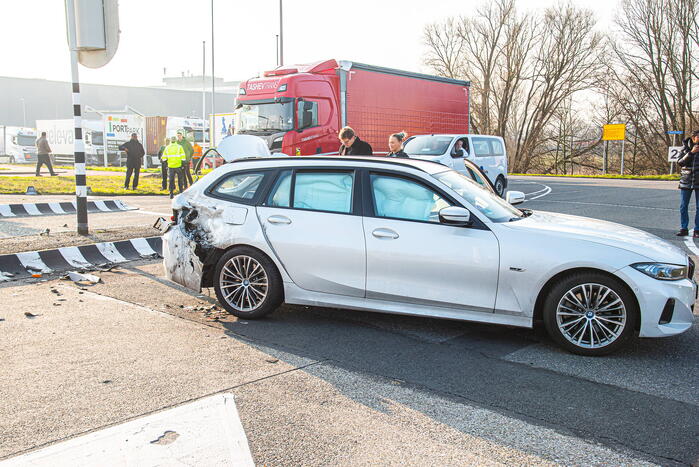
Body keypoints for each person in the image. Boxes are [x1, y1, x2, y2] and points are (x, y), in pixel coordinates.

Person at [677, 130, 699, 237]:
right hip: (686, 180)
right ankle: (683, 228)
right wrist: (691, 153)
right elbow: (680, 162)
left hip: (698, 181)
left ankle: (697, 230)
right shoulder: (685, 147)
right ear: (694, 137)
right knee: (683, 206)